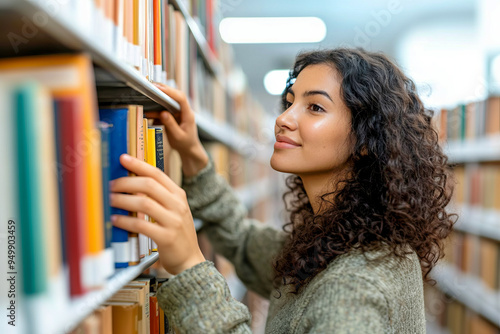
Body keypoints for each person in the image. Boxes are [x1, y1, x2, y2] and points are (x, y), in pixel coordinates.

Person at [109, 48, 456, 333]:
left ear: (367, 140)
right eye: (290, 101)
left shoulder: (353, 289)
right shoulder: (342, 238)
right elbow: (244, 242)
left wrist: (188, 264)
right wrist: (195, 159)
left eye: (315, 107)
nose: (284, 118)